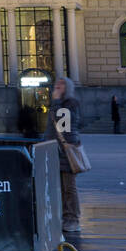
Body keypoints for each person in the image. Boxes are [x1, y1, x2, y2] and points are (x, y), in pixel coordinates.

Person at [45, 75, 83, 235]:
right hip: (57, 150)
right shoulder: (61, 104)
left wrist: (56, 101)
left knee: (69, 188)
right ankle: (65, 217)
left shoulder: (69, 104)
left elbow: (63, 124)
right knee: (61, 187)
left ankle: (73, 219)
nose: (58, 86)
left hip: (65, 151)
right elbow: (51, 129)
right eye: (57, 83)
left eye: (62, 84)